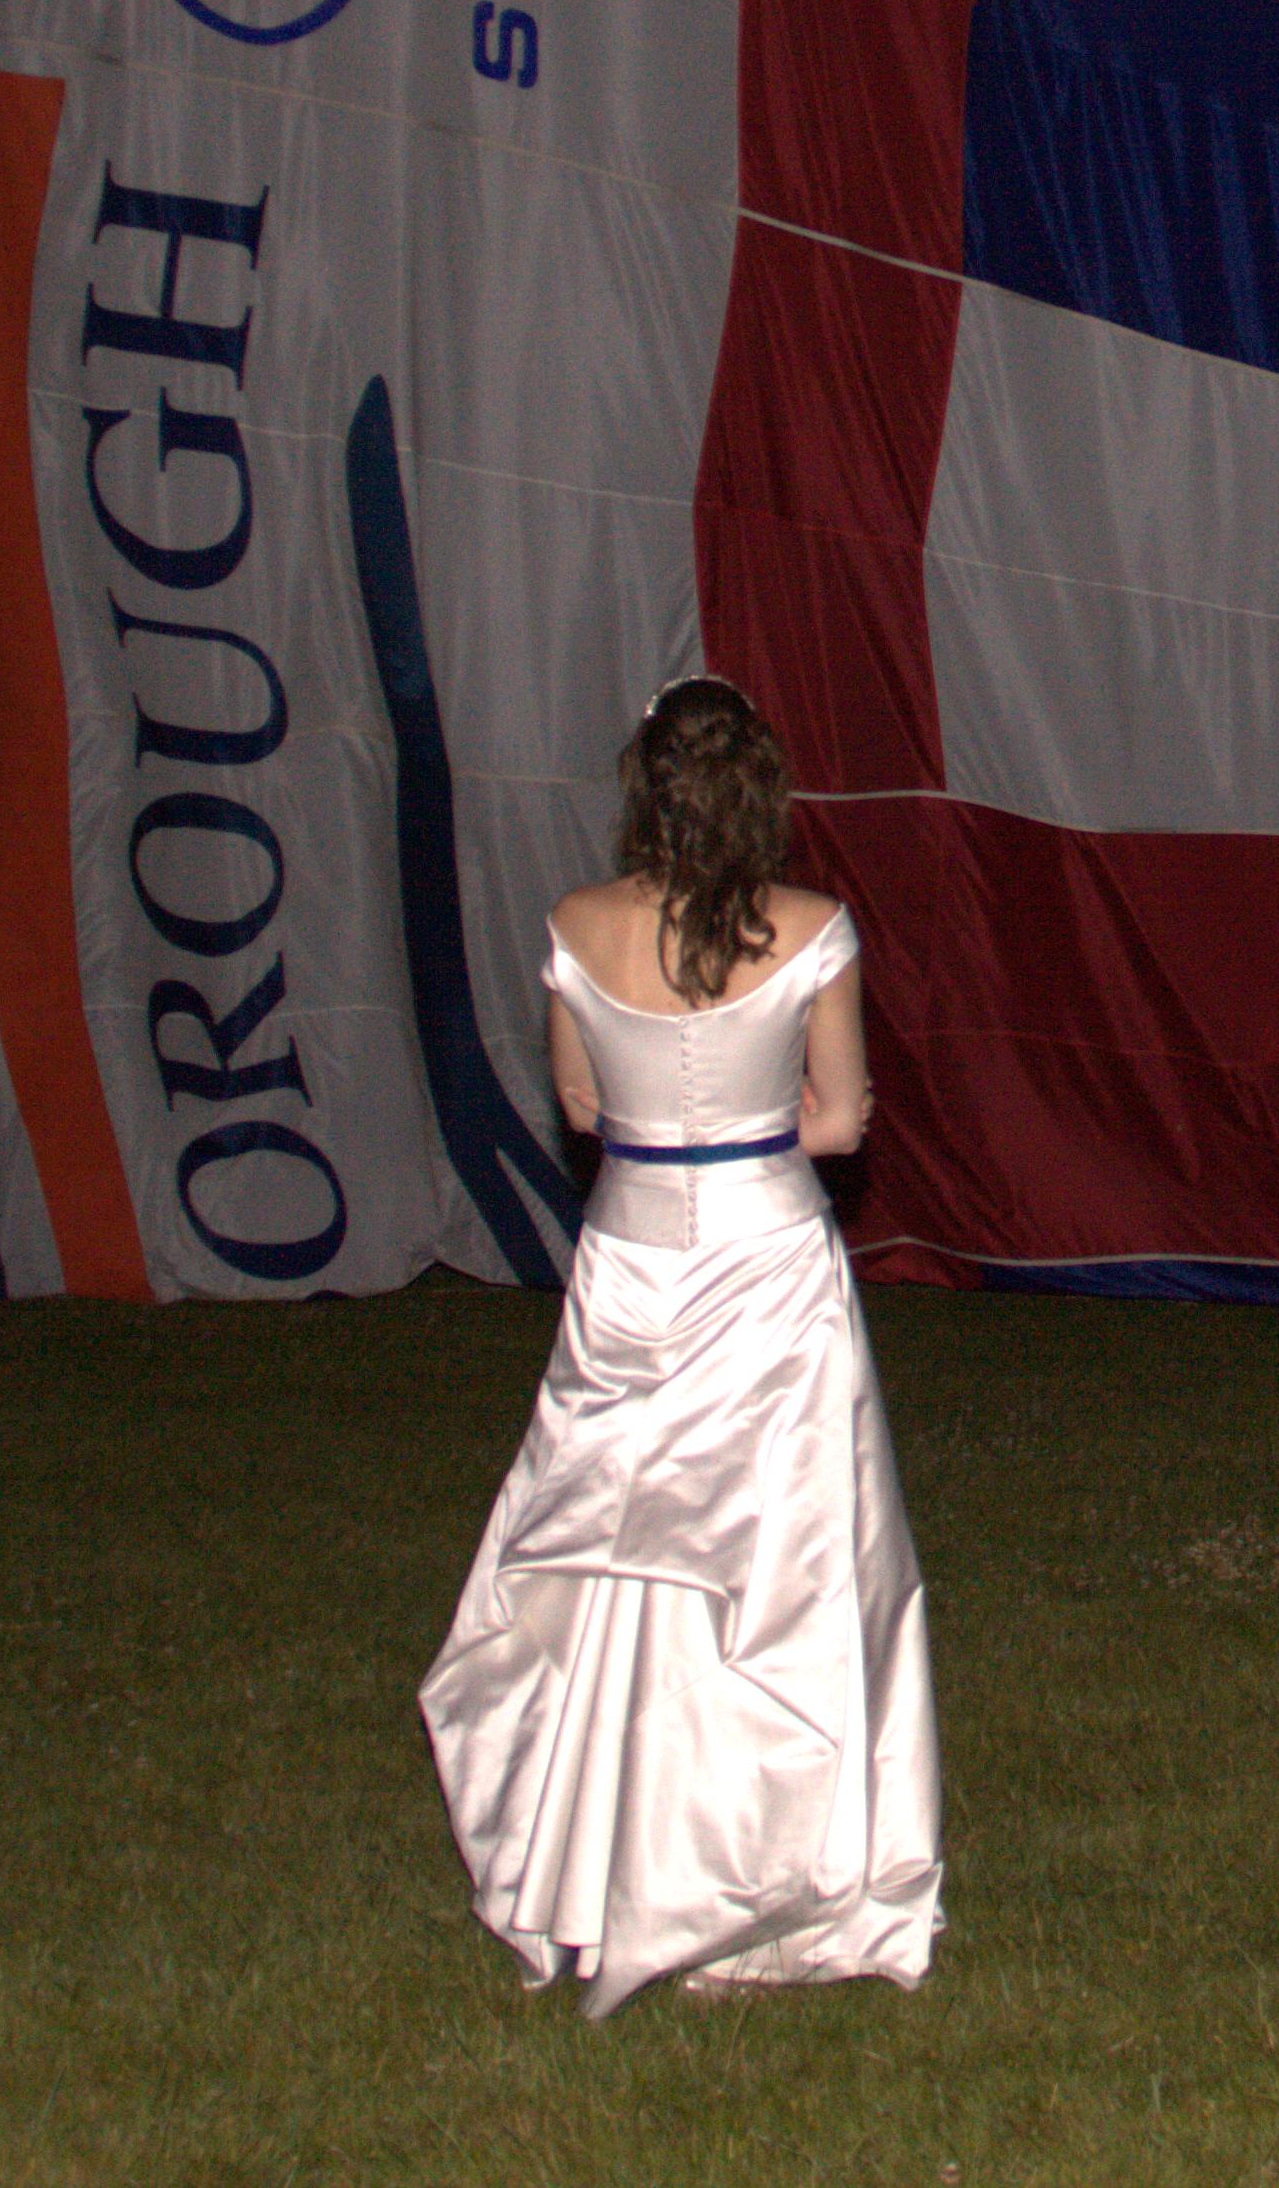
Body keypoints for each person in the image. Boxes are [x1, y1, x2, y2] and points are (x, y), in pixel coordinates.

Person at [421, 675, 943, 2015]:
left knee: (622, 1545)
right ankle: (774, 1860)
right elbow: (841, 1122)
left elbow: (582, 1106)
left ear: (646, 791)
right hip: (766, 1262)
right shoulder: (814, 928)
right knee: (782, 1559)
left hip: (635, 1262)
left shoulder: (576, 925)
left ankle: (611, 1858)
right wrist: (751, 1125)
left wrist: (667, 1122)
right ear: (757, 792)